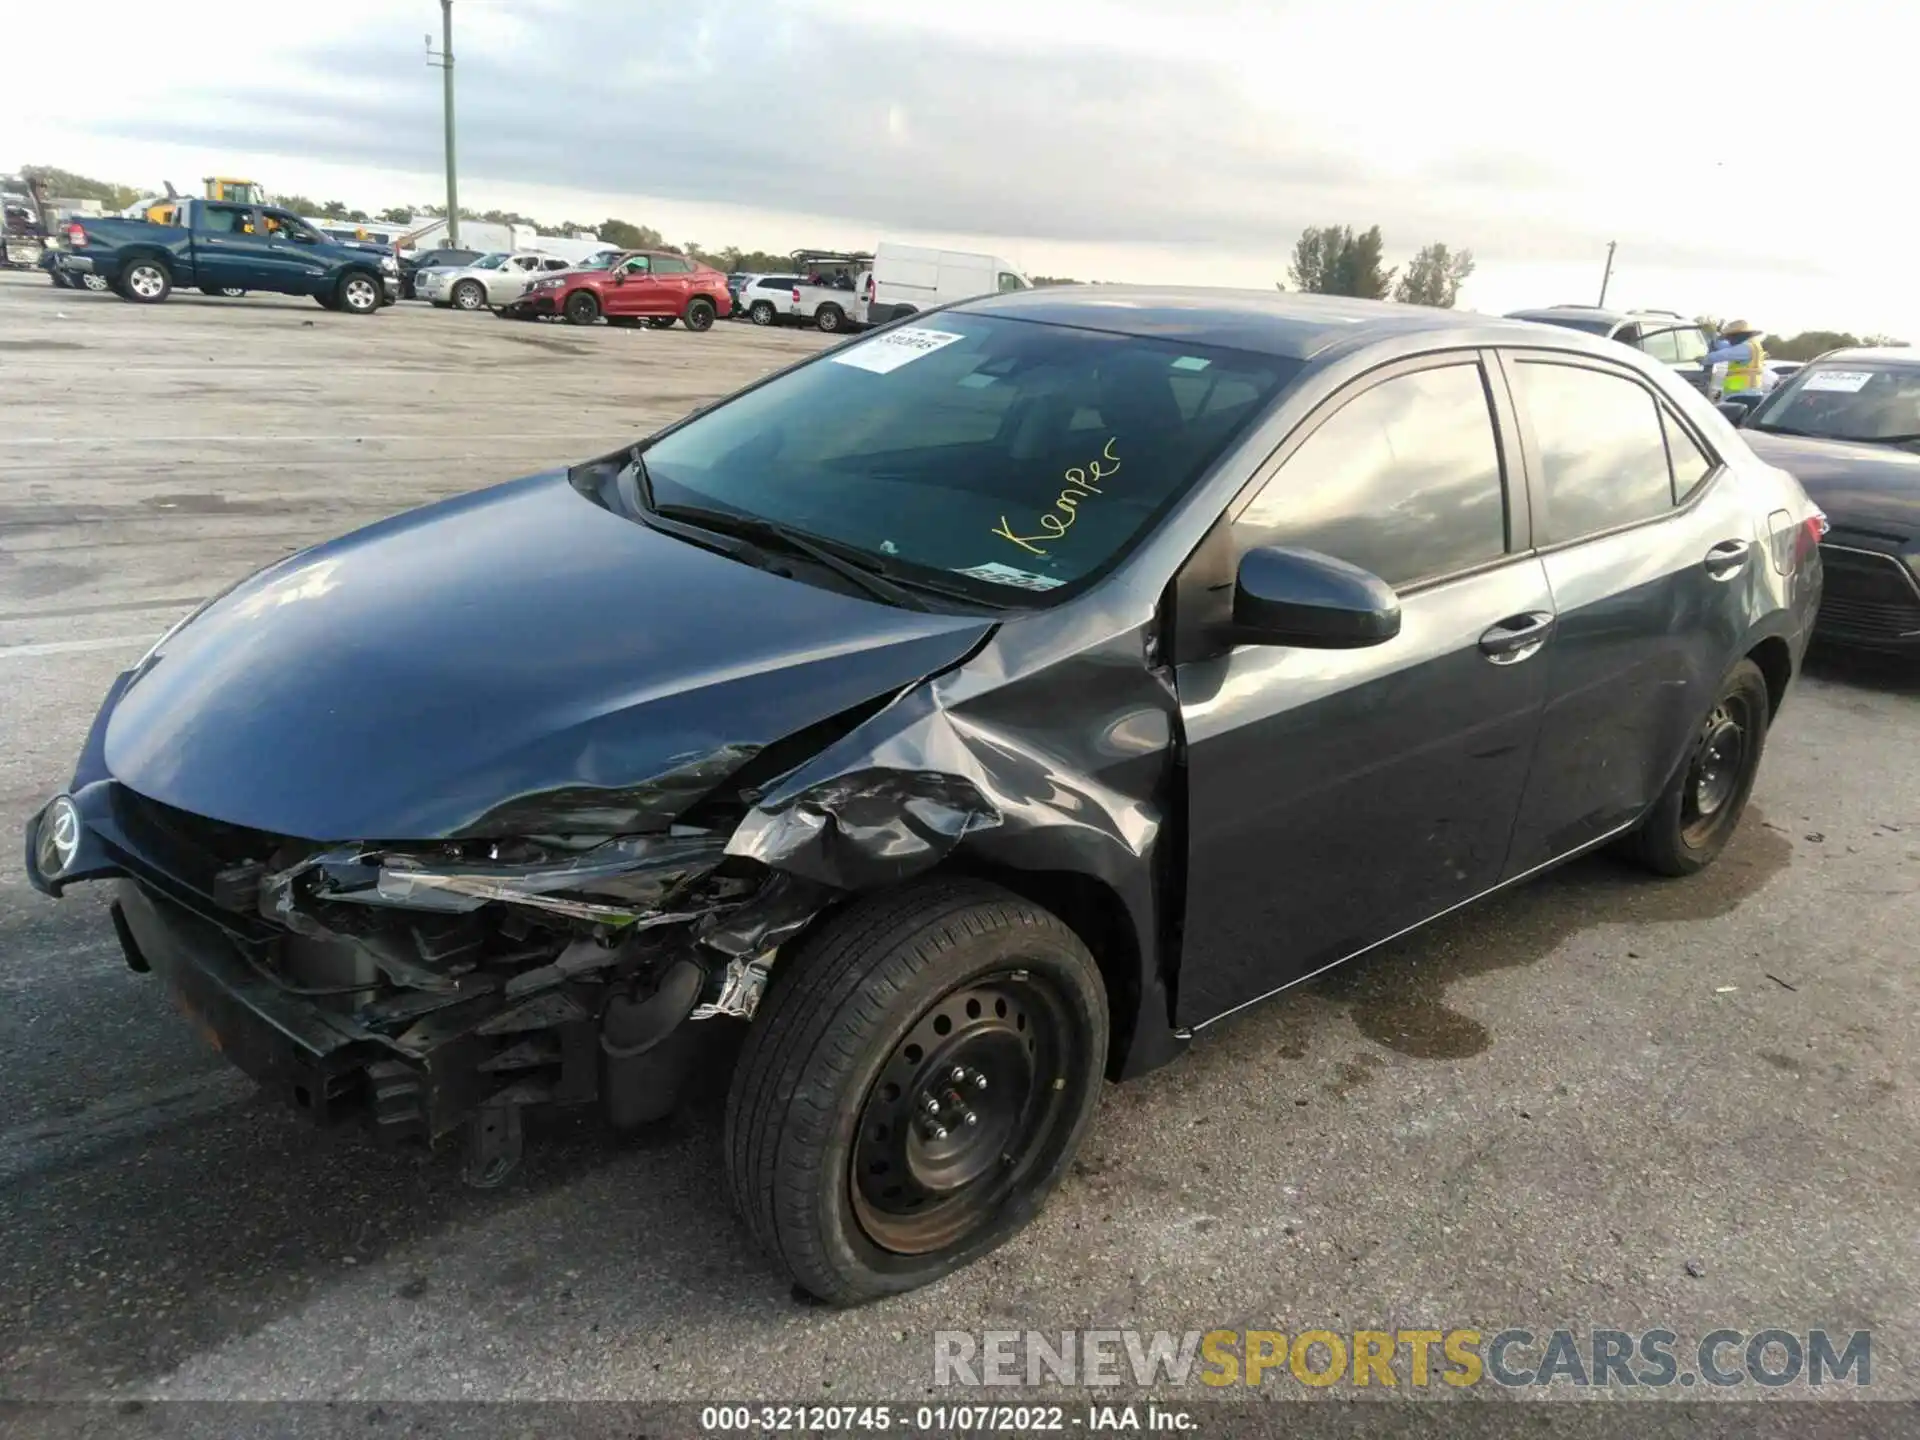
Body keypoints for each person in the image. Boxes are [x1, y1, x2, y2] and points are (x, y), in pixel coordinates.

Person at [1703, 320, 1769, 399]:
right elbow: (1722, 346)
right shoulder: (1751, 345)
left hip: (1743, 395)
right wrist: (1713, 336)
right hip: (1745, 392)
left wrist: (1702, 359)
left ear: (1739, 335)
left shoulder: (1745, 347)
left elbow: (1722, 355)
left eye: (1730, 336)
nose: (1728, 339)